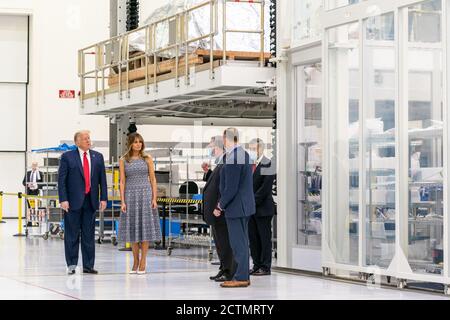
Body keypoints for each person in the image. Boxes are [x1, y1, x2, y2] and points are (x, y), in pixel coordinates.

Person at [58, 131, 108, 275]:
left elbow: (102, 181)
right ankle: (72, 265)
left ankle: (88, 265)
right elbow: (61, 181)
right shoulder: (67, 157)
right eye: (85, 139)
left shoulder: (97, 157)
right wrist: (63, 199)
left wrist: (103, 198)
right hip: (72, 202)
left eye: (89, 138)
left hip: (91, 201)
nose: (88, 141)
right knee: (72, 235)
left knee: (88, 235)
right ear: (77, 142)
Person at [215, 128, 255, 288]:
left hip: (236, 207)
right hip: (244, 207)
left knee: (238, 244)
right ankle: (243, 275)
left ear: (226, 139)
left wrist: (220, 205)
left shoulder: (233, 158)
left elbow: (231, 188)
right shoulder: (243, 154)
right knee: (243, 243)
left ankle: (241, 277)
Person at [118, 132, 162, 274]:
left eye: (140, 142)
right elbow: (122, 181)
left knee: (145, 228)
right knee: (133, 229)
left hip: (145, 194)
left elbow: (153, 179)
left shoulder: (147, 158)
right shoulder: (124, 159)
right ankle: (135, 260)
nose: (138, 144)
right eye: (135, 142)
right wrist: (122, 201)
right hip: (130, 195)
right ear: (130, 143)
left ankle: (143, 260)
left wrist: (154, 198)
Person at [202, 136, 236, 282]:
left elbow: (226, 188)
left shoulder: (228, 162)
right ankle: (223, 268)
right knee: (220, 243)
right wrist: (208, 172)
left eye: (212, 147)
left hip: (220, 212)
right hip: (215, 212)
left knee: (225, 242)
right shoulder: (220, 162)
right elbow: (216, 182)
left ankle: (229, 271)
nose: (211, 150)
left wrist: (219, 206)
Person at [248, 138, 276, 276]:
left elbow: (265, 189)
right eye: (251, 148)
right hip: (250, 209)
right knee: (253, 238)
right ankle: (256, 264)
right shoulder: (249, 165)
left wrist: (251, 202)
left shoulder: (268, 164)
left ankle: (265, 266)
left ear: (261, 149)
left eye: (254, 148)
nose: (252, 151)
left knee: (264, 239)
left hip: (262, 209)